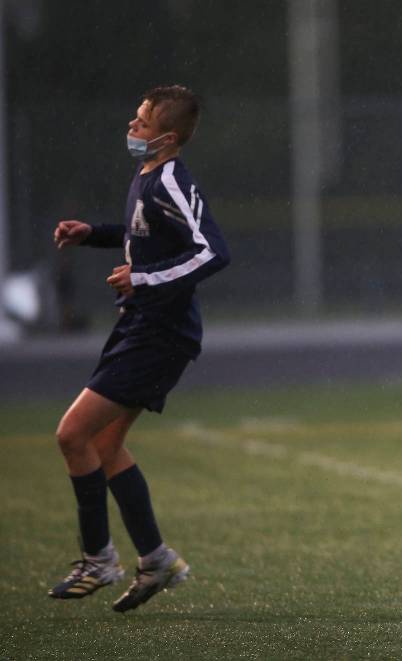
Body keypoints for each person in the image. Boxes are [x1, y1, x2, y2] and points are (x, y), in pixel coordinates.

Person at [48, 85, 230, 612]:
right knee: (102, 447)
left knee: (72, 434)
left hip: (159, 336)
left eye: (142, 122)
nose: (132, 126)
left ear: (167, 138)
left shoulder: (171, 179)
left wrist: (144, 280)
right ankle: (155, 560)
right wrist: (94, 235)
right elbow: (144, 239)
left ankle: (98, 559)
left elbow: (212, 252)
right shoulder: (148, 175)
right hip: (140, 327)